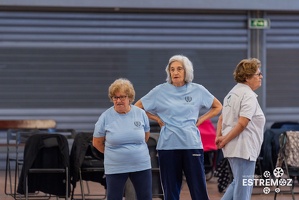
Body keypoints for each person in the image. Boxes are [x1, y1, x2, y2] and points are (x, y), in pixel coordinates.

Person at [135, 55, 222, 200]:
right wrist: (156, 118)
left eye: (179, 69)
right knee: (170, 192)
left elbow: (218, 106)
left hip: (191, 145)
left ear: (186, 71)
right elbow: (137, 107)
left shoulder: (197, 90)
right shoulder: (160, 90)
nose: (175, 72)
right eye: (172, 69)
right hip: (168, 146)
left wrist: (201, 119)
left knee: (199, 190)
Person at [92, 78, 152, 200]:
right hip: (115, 166)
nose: (118, 100)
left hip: (141, 164)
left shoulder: (140, 114)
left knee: (145, 197)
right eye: (115, 97)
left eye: (122, 97)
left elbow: (145, 137)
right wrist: (112, 153)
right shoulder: (105, 117)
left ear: (129, 98)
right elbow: (97, 142)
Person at [215, 58, 266, 200]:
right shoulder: (248, 95)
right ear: (247, 77)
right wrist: (223, 139)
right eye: (258, 74)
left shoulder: (231, 93)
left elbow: (221, 119)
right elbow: (243, 123)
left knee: (238, 183)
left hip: (234, 148)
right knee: (243, 190)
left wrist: (219, 137)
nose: (261, 77)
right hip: (243, 149)